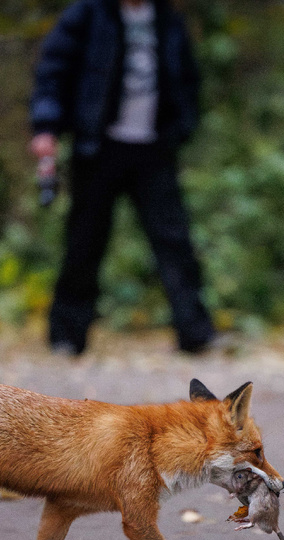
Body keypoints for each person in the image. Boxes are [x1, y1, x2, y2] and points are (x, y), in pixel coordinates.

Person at [30, 0, 217, 356]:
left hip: (154, 149)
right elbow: (53, 72)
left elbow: (187, 80)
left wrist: (181, 127)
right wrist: (46, 127)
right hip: (98, 147)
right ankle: (67, 336)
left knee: (174, 241)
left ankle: (196, 333)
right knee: (85, 241)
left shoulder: (167, 20)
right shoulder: (87, 15)